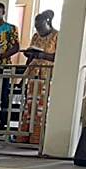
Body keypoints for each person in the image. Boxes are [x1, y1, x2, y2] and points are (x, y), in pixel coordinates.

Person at [17, 11, 58, 146]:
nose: (38, 29)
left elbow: (59, 57)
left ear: (48, 22)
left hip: (47, 76)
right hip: (33, 75)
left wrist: (42, 55)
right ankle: (25, 136)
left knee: (41, 107)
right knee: (29, 106)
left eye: (40, 26)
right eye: (36, 26)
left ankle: (38, 138)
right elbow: (31, 57)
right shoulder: (36, 36)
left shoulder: (57, 36)